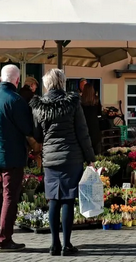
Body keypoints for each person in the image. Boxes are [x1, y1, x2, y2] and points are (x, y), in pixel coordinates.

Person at [30, 69, 95, 256]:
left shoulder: (38, 105)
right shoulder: (73, 103)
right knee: (67, 199)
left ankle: (54, 245)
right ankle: (67, 244)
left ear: (46, 84)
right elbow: (83, 132)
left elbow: (37, 134)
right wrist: (90, 157)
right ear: (62, 82)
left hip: (50, 158)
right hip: (71, 157)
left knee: (53, 200)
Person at [0, 64, 34, 253]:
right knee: (11, 196)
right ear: (17, 81)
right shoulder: (16, 101)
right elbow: (27, 129)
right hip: (12, 157)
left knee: (4, 194)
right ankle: (4, 239)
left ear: (1, 78)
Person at [81, 83, 103, 155]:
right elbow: (99, 113)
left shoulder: (81, 101)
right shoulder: (96, 100)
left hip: (84, 125)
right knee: (96, 148)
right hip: (95, 125)